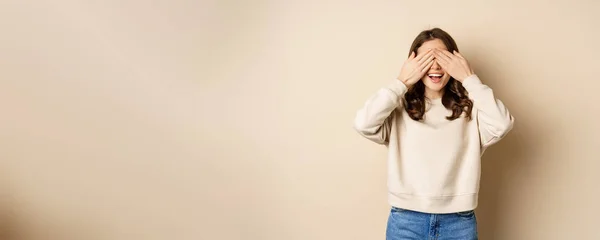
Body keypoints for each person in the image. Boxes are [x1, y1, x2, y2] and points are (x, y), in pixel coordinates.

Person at [353, 28, 514, 239]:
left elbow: (502, 123)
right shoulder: (397, 106)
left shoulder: (472, 108)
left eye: (443, 58)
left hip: (458, 222)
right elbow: (364, 123)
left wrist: (469, 78)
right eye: (427, 59)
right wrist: (401, 81)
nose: (436, 66)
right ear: (414, 63)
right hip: (406, 220)